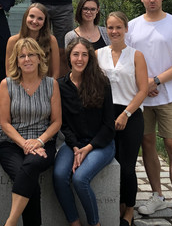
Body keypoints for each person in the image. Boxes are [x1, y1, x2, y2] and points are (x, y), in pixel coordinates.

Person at [125, 0, 172, 226]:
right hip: (141, 97)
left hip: (169, 96)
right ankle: (157, 195)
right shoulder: (132, 27)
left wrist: (156, 81)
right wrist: (144, 84)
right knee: (148, 145)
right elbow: (128, 61)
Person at [0, 37, 62, 226]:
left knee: (31, 166)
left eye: (31, 55)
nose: (27, 59)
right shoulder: (7, 84)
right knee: (28, 179)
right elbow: (4, 122)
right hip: (11, 144)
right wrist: (25, 144)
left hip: (44, 143)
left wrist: (39, 141)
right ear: (16, 61)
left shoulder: (51, 84)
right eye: (22, 56)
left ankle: (10, 222)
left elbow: (57, 121)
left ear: (39, 58)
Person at [54, 37, 116, 226]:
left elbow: (109, 125)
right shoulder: (60, 85)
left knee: (80, 178)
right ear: (69, 57)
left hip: (100, 143)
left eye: (84, 55)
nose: (79, 59)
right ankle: (74, 222)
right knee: (58, 176)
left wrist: (87, 148)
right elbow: (62, 124)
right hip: (74, 142)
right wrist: (74, 147)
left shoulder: (102, 83)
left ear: (89, 58)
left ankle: (94, 223)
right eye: (75, 54)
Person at [97, 12, 149, 226]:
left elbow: (143, 89)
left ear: (126, 29)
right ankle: (115, 203)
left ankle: (129, 209)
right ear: (106, 29)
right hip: (106, 115)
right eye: (110, 27)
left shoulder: (136, 55)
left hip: (131, 114)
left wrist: (126, 113)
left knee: (127, 167)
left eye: (118, 27)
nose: (114, 31)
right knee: (111, 164)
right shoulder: (98, 54)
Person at [5, 3, 60, 78]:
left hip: (45, 85)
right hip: (19, 85)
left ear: (44, 22)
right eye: (32, 16)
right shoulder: (13, 41)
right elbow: (9, 71)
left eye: (40, 18)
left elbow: (55, 73)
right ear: (25, 17)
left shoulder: (51, 40)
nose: (34, 21)